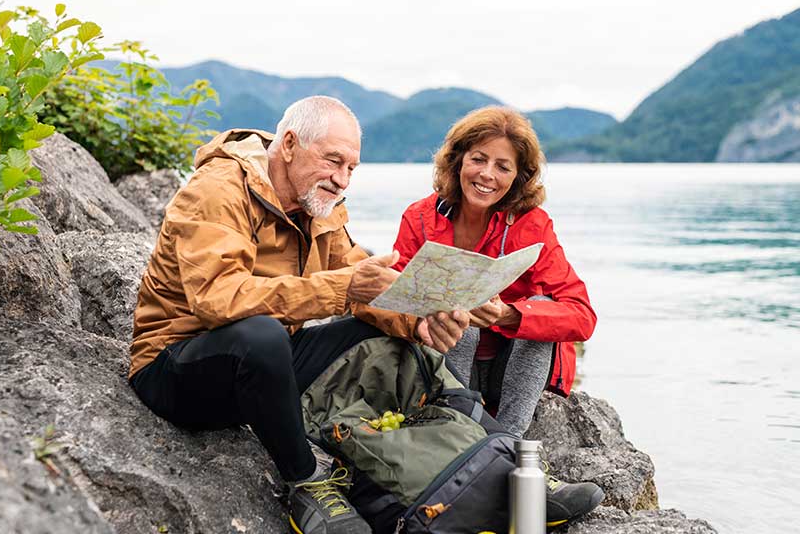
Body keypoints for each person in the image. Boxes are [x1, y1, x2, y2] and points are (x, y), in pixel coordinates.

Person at [128, 96, 468, 534]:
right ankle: (307, 481)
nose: (342, 179)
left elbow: (359, 282)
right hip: (176, 369)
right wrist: (343, 287)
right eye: (333, 161)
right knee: (264, 336)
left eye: (351, 168)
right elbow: (217, 298)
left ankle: (493, 456)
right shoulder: (219, 188)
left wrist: (416, 322)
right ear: (289, 144)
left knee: (383, 339)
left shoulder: (319, 200)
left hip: (263, 374)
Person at [391, 105, 603, 527]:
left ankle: (506, 444)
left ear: (518, 178)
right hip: (447, 368)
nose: (487, 174)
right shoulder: (420, 217)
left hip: (512, 370)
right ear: (458, 162)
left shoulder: (532, 225)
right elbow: (392, 299)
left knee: (541, 310)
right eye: (478, 159)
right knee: (458, 321)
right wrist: (428, 313)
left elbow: (582, 317)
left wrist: (510, 315)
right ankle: (505, 464)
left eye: (503, 166)